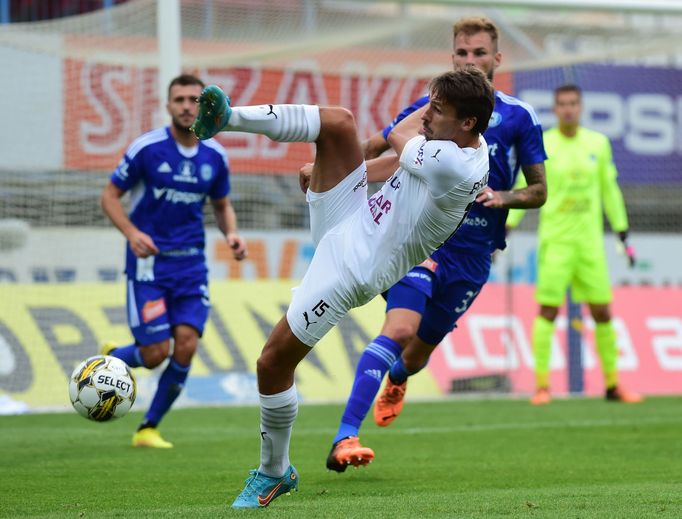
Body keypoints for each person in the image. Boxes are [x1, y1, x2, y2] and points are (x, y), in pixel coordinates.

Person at [191, 67, 494, 508]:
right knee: (339, 123)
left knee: (272, 363)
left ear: (467, 123)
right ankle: (226, 119)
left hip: (355, 269)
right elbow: (399, 158)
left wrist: (416, 115)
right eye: (430, 105)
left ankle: (274, 472)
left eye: (438, 109)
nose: (428, 114)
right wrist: (328, 170)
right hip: (352, 217)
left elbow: (402, 135)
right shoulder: (456, 140)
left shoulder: (458, 164)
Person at [323, 16, 547, 472]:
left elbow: (540, 190)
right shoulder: (433, 105)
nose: (471, 60)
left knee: (416, 353)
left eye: (479, 53)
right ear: (453, 57)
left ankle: (400, 378)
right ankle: (345, 435)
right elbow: (383, 147)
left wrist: (503, 196)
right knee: (400, 328)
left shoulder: (520, 117)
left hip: (473, 255)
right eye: (462, 53)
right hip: (422, 241)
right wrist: (327, 169)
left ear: (496, 59)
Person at [100, 74, 247, 448]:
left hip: (191, 266)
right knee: (153, 355)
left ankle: (148, 428)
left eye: (194, 99)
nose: (186, 106)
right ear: (168, 106)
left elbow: (222, 204)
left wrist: (231, 233)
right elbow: (110, 197)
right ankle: (112, 358)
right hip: (149, 266)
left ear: (205, 107)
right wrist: (132, 234)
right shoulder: (147, 149)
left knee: (185, 344)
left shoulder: (215, 156)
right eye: (179, 99)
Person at [506, 84, 642, 405]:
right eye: (562, 104)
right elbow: (524, 185)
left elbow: (609, 189)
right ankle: (542, 386)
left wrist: (621, 229)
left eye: (573, 104)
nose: (568, 109)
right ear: (555, 109)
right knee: (549, 311)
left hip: (590, 245)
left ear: (580, 108)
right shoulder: (544, 143)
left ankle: (612, 385)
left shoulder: (599, 143)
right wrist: (507, 226)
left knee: (603, 311)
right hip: (556, 242)